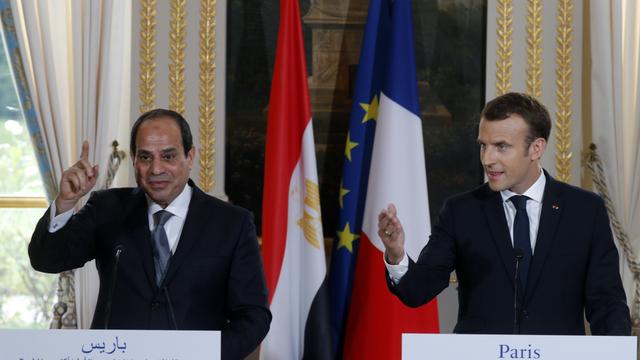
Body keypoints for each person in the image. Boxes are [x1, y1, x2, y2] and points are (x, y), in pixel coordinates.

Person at [378, 92, 631, 335]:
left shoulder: (584, 210)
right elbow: (418, 290)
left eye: (501, 147)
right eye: (483, 146)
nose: (488, 159)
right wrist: (397, 254)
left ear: (536, 148)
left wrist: (614, 353)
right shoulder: (461, 211)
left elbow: (607, 303)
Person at [29, 109, 271, 359]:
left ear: (190, 156)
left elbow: (253, 316)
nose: (156, 169)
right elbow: (47, 259)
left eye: (168, 156)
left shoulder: (232, 223)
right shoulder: (107, 208)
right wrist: (65, 203)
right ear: (134, 160)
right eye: (145, 157)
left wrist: (206, 354)